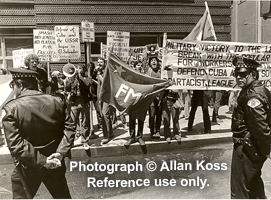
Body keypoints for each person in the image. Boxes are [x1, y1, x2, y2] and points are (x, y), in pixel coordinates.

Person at [1, 67, 75, 199]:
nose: (14, 90)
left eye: (14, 86)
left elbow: (16, 145)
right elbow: (69, 128)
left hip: (27, 167)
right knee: (62, 196)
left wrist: (44, 161)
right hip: (55, 162)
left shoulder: (11, 108)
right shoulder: (57, 101)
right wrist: (60, 153)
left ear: (21, 85)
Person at [231, 56, 271, 199]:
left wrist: (266, 150)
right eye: (236, 74)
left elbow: (260, 127)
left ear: (253, 75)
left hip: (248, 148)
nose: (239, 78)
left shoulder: (252, 95)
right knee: (254, 186)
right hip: (253, 148)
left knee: (239, 191)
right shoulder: (257, 89)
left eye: (243, 74)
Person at [64, 63, 98, 150]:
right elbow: (67, 89)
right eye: (77, 69)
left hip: (84, 102)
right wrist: (70, 80)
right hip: (74, 103)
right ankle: (70, 142)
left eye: (80, 69)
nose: (78, 70)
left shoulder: (87, 78)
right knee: (72, 123)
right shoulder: (70, 79)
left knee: (85, 122)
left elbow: (87, 84)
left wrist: (80, 77)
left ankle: (85, 141)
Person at [96, 57, 115, 144]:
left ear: (105, 63)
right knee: (104, 115)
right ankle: (110, 133)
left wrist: (99, 74)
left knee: (105, 114)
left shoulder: (107, 71)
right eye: (98, 62)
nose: (99, 64)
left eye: (101, 62)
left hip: (107, 96)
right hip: (100, 96)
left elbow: (104, 82)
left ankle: (106, 135)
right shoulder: (99, 71)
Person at [145, 56, 162, 139]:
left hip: (160, 97)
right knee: (152, 115)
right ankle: (152, 131)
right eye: (152, 61)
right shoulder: (148, 72)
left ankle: (158, 130)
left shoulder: (161, 72)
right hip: (151, 97)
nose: (154, 62)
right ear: (150, 63)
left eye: (155, 60)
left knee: (159, 114)